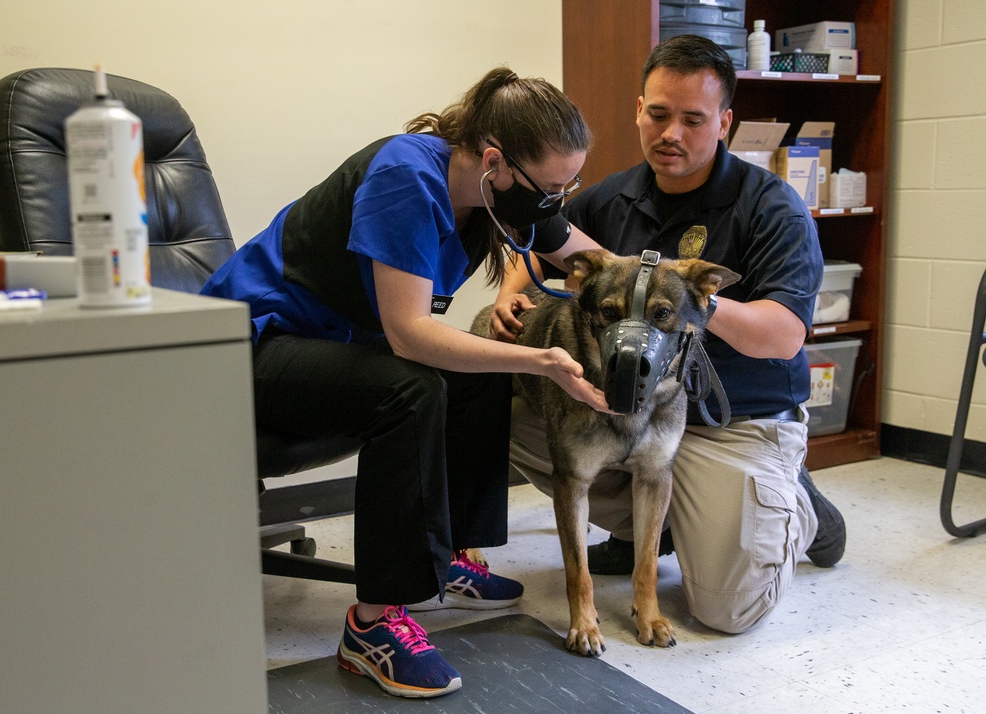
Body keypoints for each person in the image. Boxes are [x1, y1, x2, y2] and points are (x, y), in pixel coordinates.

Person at [201, 67, 611, 698]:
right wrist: (543, 360)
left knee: (481, 362)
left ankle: (449, 559)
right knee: (414, 383)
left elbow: (583, 255)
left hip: (326, 346)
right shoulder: (407, 178)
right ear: (495, 162)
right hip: (247, 348)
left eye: (569, 186)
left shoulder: (489, 192)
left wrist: (648, 280)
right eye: (551, 188)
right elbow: (410, 336)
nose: (556, 202)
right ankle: (371, 625)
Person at [489, 35, 846, 635]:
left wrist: (685, 300)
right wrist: (510, 293)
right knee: (502, 401)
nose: (670, 133)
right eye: (657, 114)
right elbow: (549, 245)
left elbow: (784, 336)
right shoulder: (614, 194)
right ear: (638, 110)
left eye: (692, 118)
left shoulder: (770, 206)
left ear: (725, 122)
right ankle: (656, 528)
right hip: (631, 409)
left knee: (729, 611)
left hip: (736, 423)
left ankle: (794, 504)